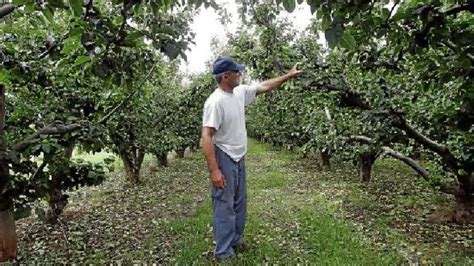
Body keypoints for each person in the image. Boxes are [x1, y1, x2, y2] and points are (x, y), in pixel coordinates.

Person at [201, 56, 301, 260]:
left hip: (239, 156)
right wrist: (214, 170)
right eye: (237, 71)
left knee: (239, 202)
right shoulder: (215, 102)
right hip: (224, 155)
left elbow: (264, 86)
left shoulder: (238, 92)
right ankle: (223, 251)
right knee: (224, 204)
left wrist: (288, 76)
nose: (241, 74)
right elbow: (207, 136)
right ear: (225, 76)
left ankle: (235, 240)